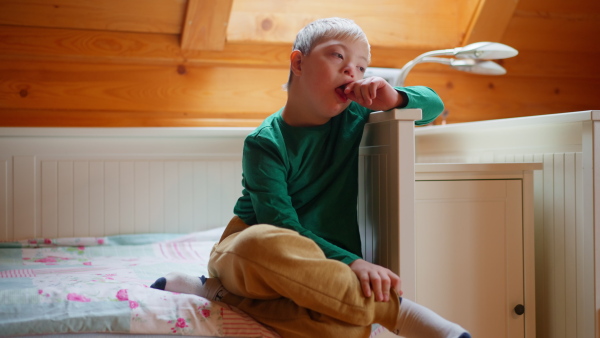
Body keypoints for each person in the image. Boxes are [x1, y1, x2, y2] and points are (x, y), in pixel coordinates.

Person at [152, 17, 471, 338]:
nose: (352, 71)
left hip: (320, 271)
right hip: (254, 252)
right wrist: (352, 262)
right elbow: (279, 224)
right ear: (298, 62)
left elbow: (434, 103)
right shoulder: (266, 141)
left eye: (362, 67)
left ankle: (217, 294)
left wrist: (396, 99)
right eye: (337, 56)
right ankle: (403, 315)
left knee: (342, 329)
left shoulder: (357, 115)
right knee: (264, 243)